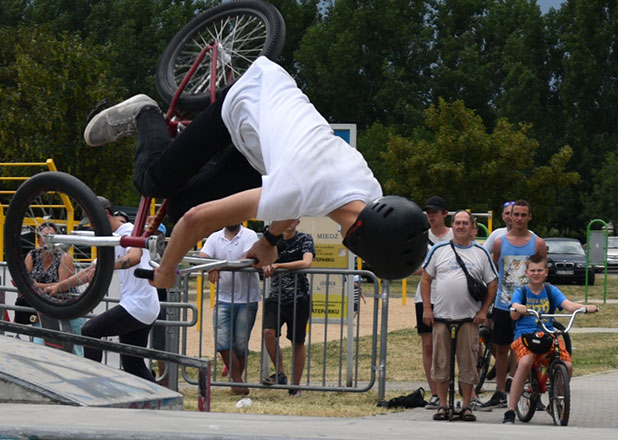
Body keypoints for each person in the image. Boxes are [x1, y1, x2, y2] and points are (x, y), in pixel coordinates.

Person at [83, 56, 428, 290]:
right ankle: (145, 113)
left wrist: (269, 241)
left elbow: (300, 199)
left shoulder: (368, 190)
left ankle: (187, 152)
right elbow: (195, 221)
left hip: (267, 141)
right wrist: (166, 270)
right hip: (246, 100)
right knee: (154, 182)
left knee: (176, 207)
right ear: (361, 241)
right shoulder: (297, 187)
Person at [48, 196, 159, 383]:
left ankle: (92, 383)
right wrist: (58, 287)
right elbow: (89, 273)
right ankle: (160, 402)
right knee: (133, 365)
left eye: (92, 221)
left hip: (138, 305)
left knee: (90, 330)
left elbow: (134, 258)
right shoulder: (112, 240)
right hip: (143, 306)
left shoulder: (129, 232)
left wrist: (106, 266)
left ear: (105, 214)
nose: (92, 227)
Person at [501, 253, 598, 424]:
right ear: (527, 272)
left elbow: (568, 305)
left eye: (540, 270)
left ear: (546, 272)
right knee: (524, 363)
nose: (536, 273)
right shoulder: (521, 291)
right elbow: (513, 311)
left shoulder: (551, 291)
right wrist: (517, 308)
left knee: (566, 365)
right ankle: (510, 410)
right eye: (533, 270)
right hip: (525, 335)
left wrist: (585, 308)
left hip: (547, 333)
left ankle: (557, 397)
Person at [420, 210, 497, 422]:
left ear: (472, 228)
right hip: (442, 317)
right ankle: (443, 405)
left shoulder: (481, 254)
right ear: (452, 226)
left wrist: (483, 311)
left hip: (469, 319)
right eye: (457, 223)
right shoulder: (439, 250)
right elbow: (426, 279)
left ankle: (466, 406)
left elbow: (492, 283)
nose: (461, 227)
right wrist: (428, 308)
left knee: (468, 363)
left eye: (465, 223)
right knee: (441, 362)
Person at [473, 199, 546, 410]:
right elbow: (494, 271)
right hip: (504, 304)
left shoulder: (537, 243)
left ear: (529, 217)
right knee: (502, 348)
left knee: (528, 349)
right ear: (509, 216)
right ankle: (500, 391)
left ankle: (527, 390)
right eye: (516, 215)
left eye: (524, 215)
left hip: (530, 306)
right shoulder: (500, 243)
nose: (520, 219)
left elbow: (542, 271)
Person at [200, 223, 261, 394]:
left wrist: (218, 266)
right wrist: (211, 266)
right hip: (223, 297)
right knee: (222, 342)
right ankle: (237, 381)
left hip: (247, 298)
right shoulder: (215, 236)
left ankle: (236, 381)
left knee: (240, 344)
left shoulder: (249, 235)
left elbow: (246, 259)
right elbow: (203, 257)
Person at [261, 220, 314, 396]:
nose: (288, 223)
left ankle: (295, 386)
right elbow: (255, 258)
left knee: (297, 341)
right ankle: (281, 373)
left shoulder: (305, 239)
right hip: (276, 297)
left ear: (298, 221)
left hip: (299, 298)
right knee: (268, 332)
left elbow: (306, 263)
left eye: (291, 219)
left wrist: (278, 266)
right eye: (284, 219)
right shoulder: (271, 241)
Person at [413, 196, 453, 409]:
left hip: (452, 297)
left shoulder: (455, 235)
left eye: (435, 212)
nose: (431, 216)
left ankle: (456, 389)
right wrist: (434, 270)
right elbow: (413, 267)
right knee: (428, 345)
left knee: (450, 346)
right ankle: (435, 393)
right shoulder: (421, 237)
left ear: (444, 214)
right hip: (425, 296)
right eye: (428, 212)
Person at [26, 222, 83, 356]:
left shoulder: (64, 257)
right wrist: (43, 286)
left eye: (53, 236)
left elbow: (61, 285)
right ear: (39, 240)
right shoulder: (32, 255)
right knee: (39, 349)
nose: (49, 239)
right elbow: (25, 280)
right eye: (46, 236)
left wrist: (37, 285)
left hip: (68, 310)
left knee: (73, 352)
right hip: (43, 311)